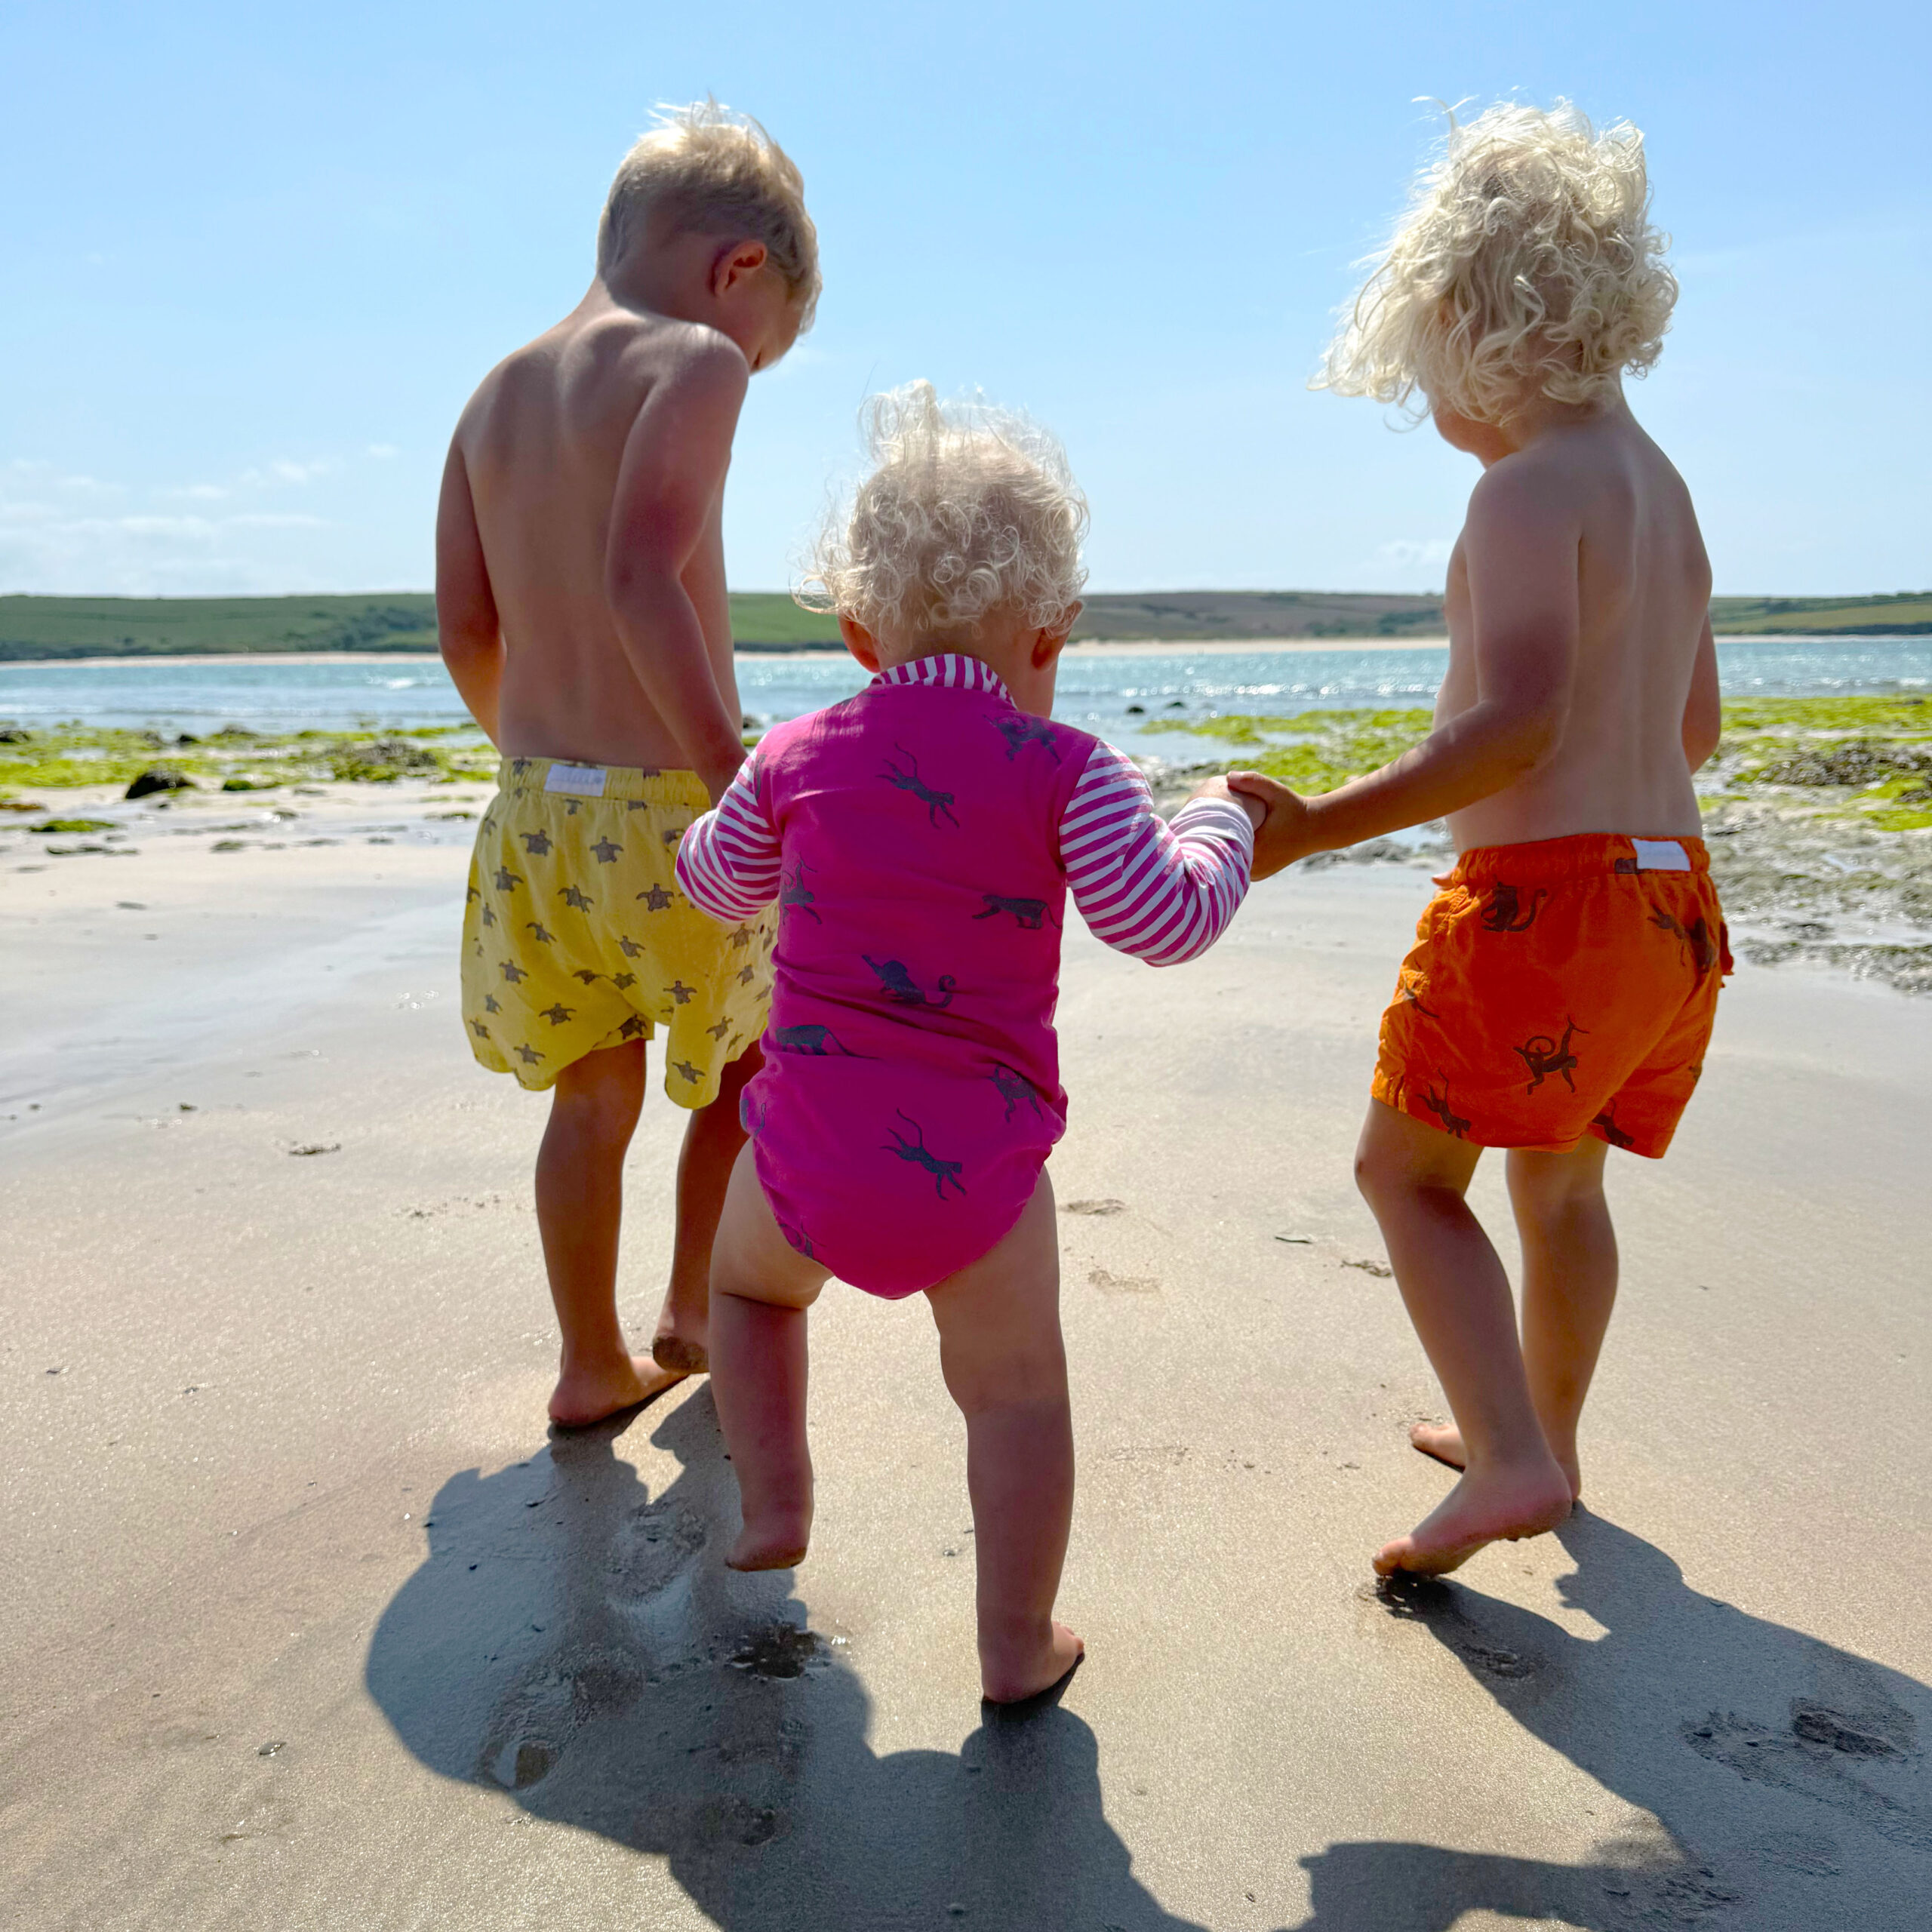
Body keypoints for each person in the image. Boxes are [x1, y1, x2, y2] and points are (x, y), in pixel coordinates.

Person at [676, 383, 1267, 1700]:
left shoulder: (794, 756)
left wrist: (710, 832)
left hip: (803, 1161)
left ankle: (775, 1504)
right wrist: (1228, 825)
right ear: (1053, 629)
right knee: (1013, 1397)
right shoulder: (1062, 766)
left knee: (750, 1297)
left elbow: (715, 881)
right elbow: (1163, 920)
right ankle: (1013, 1647)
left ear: (853, 631)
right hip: (977, 1174)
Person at [1232, 103, 1729, 1577]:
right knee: (1558, 1180)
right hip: (1670, 907)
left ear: (1472, 320)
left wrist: (1317, 824)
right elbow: (1690, 729)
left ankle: (1507, 1453)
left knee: (1404, 1174)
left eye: (1422, 370)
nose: (1429, 406)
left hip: (1539, 906)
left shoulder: (1519, 489)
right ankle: (1542, 1439)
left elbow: (1514, 718)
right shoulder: (1666, 495)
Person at [435, 102, 819, 1426]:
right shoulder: (693, 361)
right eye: (762, 349)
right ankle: (693, 1308)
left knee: (592, 1096)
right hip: (678, 807)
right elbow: (642, 571)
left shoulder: (492, 396)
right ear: (739, 273)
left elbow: (466, 630)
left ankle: (590, 1362)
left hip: (536, 812)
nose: (744, 370)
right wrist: (730, 776)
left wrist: (544, 764)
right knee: (748, 1060)